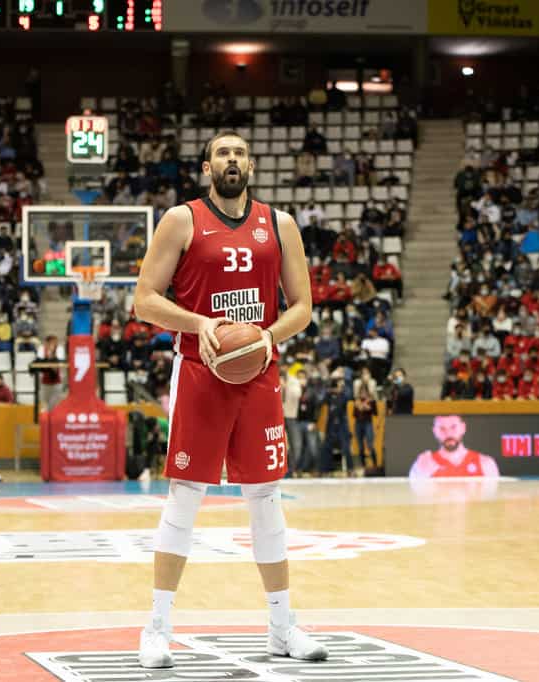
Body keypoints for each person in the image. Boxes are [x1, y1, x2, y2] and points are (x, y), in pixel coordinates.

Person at [132, 130, 327, 668]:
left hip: (259, 373)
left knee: (266, 498)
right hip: (200, 371)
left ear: (252, 165)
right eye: (223, 153)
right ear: (207, 167)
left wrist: (267, 336)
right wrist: (199, 323)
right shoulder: (182, 220)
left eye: (240, 153)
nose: (232, 159)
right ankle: (156, 628)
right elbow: (144, 300)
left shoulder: (280, 224)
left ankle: (282, 627)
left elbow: (302, 307)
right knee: (185, 496)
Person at [409, 415, 500, 478]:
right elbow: (415, 497)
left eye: (453, 427)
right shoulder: (422, 464)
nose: (448, 433)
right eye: (442, 428)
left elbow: (494, 498)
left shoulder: (485, 463)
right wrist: (423, 475)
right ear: (434, 431)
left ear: (463, 428)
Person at [353, 387, 377, 475]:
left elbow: (375, 413)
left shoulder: (371, 401)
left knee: (370, 444)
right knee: (360, 446)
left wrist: (368, 408)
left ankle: (375, 465)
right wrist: (359, 407)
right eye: (361, 392)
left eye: (364, 392)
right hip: (358, 424)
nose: (363, 394)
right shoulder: (357, 402)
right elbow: (354, 414)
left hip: (368, 423)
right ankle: (363, 466)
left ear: (367, 393)